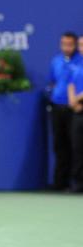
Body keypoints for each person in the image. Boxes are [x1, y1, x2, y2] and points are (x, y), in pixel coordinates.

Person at [50, 32, 80, 191]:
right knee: (59, 146)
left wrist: (75, 102)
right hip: (57, 107)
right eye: (64, 44)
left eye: (70, 44)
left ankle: (76, 184)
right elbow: (53, 82)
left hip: (74, 109)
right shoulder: (55, 61)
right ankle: (59, 183)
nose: (66, 47)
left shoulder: (80, 61)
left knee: (75, 147)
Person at [67, 35, 83, 192]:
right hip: (77, 111)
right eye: (80, 45)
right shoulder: (76, 64)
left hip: (79, 104)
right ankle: (77, 185)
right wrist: (73, 101)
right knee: (77, 148)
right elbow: (70, 83)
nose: (80, 48)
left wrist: (77, 99)